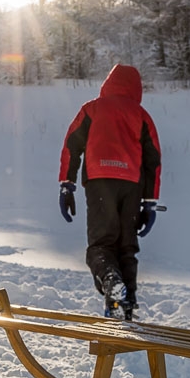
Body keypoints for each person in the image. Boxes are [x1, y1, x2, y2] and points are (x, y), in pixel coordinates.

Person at [58, 64, 162, 319]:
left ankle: (111, 281)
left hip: (99, 180)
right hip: (132, 186)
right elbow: (153, 161)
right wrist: (149, 202)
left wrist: (67, 185)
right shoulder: (141, 115)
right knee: (126, 246)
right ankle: (125, 306)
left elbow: (71, 146)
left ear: (107, 83)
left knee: (101, 244)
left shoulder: (92, 109)